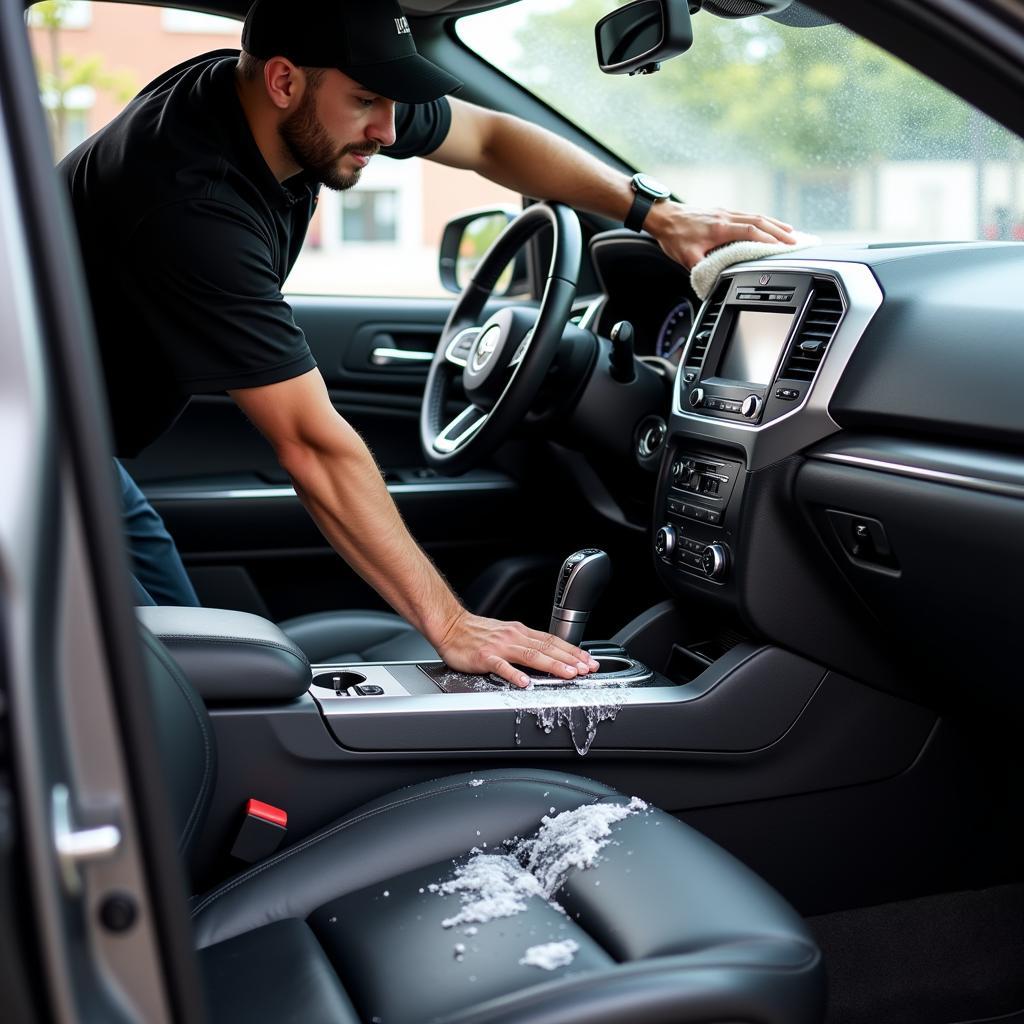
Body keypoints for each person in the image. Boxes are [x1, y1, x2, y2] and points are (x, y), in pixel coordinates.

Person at [59, 0, 795, 688]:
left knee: (190, 662)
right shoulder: (191, 206)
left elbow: (489, 138)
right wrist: (450, 623)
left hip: (74, 452)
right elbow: (313, 447)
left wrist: (655, 215)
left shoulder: (269, 96)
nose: (387, 130)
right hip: (28, 459)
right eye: (367, 104)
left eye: (391, 103)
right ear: (283, 80)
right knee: (146, 685)